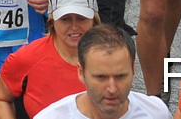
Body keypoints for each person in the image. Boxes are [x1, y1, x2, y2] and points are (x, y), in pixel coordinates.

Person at [0, 0, 102, 119]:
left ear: (94, 21)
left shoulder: (111, 57)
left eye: (81, 18)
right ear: (52, 22)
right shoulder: (28, 57)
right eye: (65, 19)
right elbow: (1, 98)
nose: (74, 26)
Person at [31, 26, 169, 119]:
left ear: (133, 69)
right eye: (101, 77)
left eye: (120, 76)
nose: (112, 88)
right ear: (81, 72)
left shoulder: (156, 113)